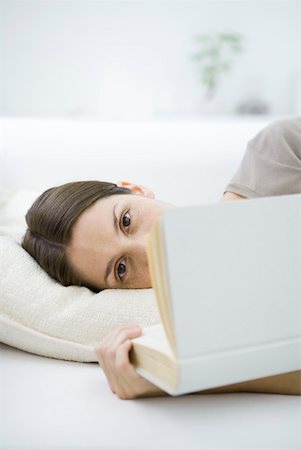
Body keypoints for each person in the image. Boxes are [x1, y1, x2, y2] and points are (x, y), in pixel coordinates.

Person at [22, 117, 301, 400]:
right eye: (121, 269)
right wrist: (167, 379)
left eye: (126, 220)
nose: (148, 247)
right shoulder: (229, 323)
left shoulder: (281, 150)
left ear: (138, 189)